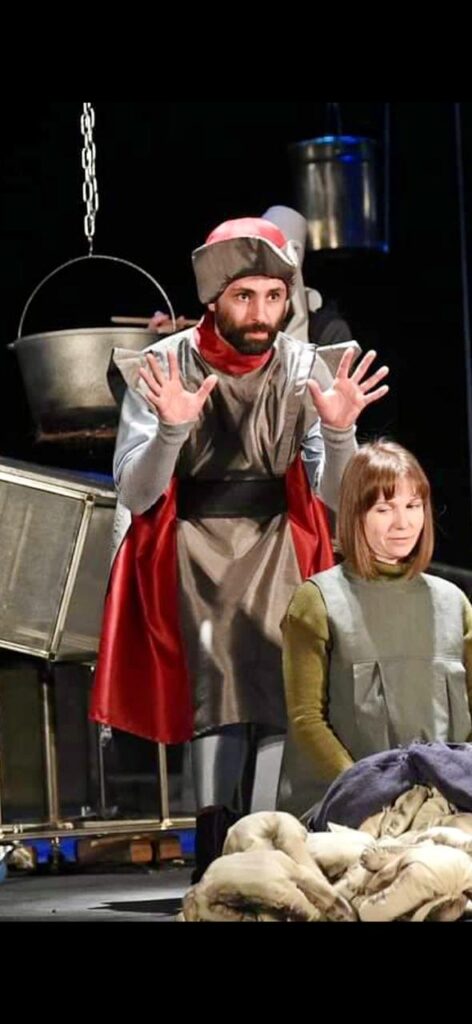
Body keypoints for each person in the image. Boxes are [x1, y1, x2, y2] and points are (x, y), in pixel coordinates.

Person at [90, 216, 389, 817]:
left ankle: (266, 836)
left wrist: (339, 434)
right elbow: (137, 493)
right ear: (213, 298)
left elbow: (337, 497)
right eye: (244, 296)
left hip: (280, 546)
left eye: (274, 297)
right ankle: (213, 835)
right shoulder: (166, 365)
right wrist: (170, 432)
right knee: (218, 690)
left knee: (283, 694)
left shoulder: (304, 366)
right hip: (192, 551)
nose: (260, 313)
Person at [281, 441, 472, 816]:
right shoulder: (316, 600)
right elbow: (307, 721)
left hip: (446, 806)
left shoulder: (454, 603)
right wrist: (371, 791)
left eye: (413, 506)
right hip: (347, 807)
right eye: (384, 509)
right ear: (356, 513)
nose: (403, 523)